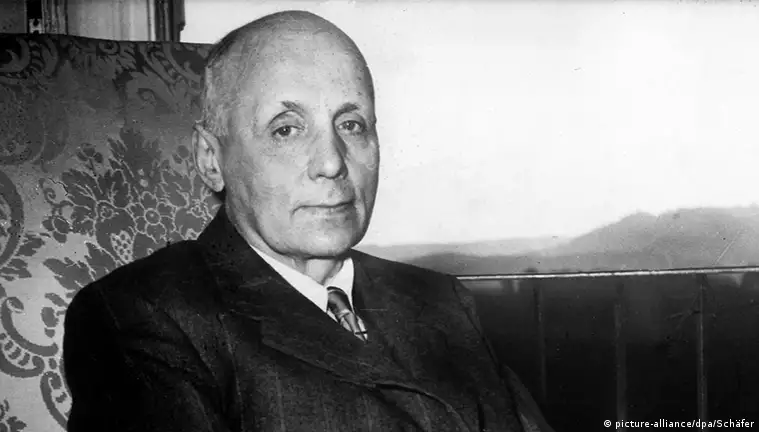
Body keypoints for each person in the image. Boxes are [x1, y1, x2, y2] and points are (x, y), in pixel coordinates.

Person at [63, 10, 554, 432]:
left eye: (351, 124)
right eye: (287, 129)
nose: (332, 162)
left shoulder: (443, 301)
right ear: (211, 160)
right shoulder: (146, 315)